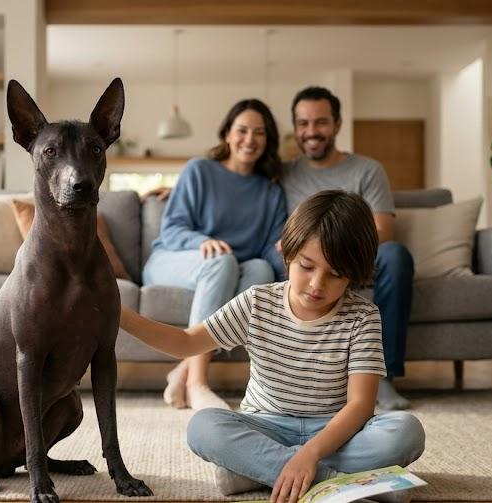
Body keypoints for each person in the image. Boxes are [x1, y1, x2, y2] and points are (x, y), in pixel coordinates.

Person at [121, 190, 425, 502]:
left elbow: (360, 406)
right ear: (288, 252)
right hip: (266, 425)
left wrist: (309, 454)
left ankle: (255, 470)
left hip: (334, 433)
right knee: (203, 426)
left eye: (335, 275)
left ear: (353, 276)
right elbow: (185, 343)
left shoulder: (363, 317)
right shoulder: (258, 302)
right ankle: (339, 484)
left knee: (406, 432)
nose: (316, 284)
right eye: (307, 266)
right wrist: (120, 314)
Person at [144, 99, 288, 411]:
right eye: (242, 130)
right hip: (175, 259)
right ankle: (197, 382)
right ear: (226, 134)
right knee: (222, 263)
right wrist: (202, 241)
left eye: (259, 133)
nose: (250, 139)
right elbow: (172, 228)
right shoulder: (200, 170)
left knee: (262, 271)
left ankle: (183, 369)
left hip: (231, 267)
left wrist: (290, 263)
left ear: (268, 140)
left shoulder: (271, 191)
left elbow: (267, 248)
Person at [282, 86, 414, 410]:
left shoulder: (367, 170)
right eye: (303, 123)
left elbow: (383, 227)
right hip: (302, 262)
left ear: (338, 124)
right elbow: (233, 181)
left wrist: (333, 249)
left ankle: (383, 378)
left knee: (396, 256)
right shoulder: (283, 173)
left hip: (356, 256)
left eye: (321, 122)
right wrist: (171, 188)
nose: (311, 131)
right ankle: (288, 380)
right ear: (296, 127)